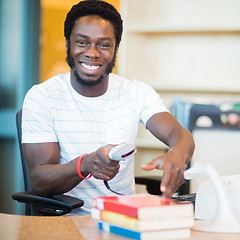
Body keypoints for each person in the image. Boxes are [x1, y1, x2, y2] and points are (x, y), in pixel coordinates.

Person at [21, 0, 195, 213]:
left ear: (116, 48)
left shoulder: (136, 92)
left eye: (104, 44)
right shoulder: (42, 97)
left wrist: (178, 152)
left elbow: (179, 133)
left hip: (124, 220)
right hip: (68, 222)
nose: (92, 53)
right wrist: (85, 164)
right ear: (68, 44)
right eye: (82, 42)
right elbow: (40, 179)